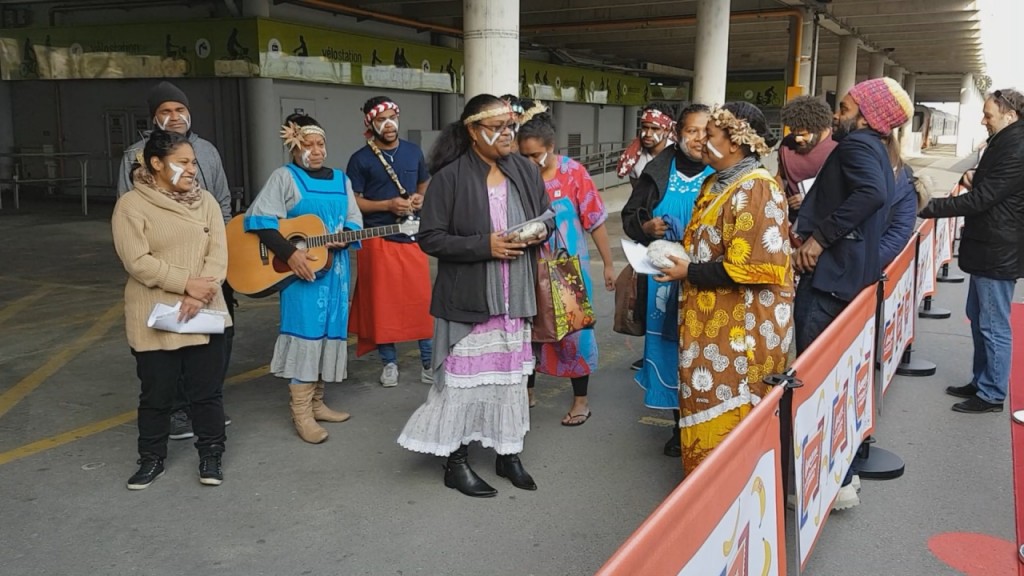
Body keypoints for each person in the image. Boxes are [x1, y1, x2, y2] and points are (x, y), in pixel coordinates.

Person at [397, 95, 552, 498]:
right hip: (469, 299)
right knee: (464, 384)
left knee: (510, 382)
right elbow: (430, 238)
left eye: (510, 127)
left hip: (514, 298)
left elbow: (546, 215)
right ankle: (457, 461)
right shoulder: (449, 178)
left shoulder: (523, 169)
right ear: (472, 131)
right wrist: (486, 245)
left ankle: (508, 452)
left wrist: (537, 231)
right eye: (497, 128)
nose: (506, 135)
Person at [792, 77, 914, 510]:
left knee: (816, 381)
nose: (837, 114)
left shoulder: (858, 145)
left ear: (867, 115)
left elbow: (872, 194)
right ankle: (843, 474)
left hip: (830, 281)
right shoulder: (877, 148)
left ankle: (833, 479)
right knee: (837, 379)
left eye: (844, 107)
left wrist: (819, 238)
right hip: (844, 279)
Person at [655, 102, 793, 474]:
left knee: (733, 407)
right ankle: (707, 497)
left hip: (741, 334)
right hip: (707, 321)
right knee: (701, 399)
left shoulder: (758, 189)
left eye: (710, 135)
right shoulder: (715, 181)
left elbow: (760, 266)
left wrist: (690, 271)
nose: (700, 141)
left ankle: (733, 497)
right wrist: (680, 265)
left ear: (735, 143)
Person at [111, 130, 229, 490]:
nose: (192, 169)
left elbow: (219, 252)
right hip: (156, 314)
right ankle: (151, 459)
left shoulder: (206, 201)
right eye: (183, 162)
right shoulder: (131, 205)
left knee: (207, 392)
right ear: (157, 164)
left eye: (193, 162)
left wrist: (200, 292)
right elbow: (137, 261)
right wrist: (185, 283)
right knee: (157, 394)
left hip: (205, 308)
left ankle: (211, 454)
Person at [243, 114, 362, 444]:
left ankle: (318, 402)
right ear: (293, 148)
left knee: (328, 333)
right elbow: (259, 220)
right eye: (307, 144)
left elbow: (354, 218)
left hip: (336, 272)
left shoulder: (342, 180)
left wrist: (348, 237)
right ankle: (302, 413)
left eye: (320, 143)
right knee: (307, 335)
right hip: (301, 271)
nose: (315, 150)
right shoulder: (285, 177)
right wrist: (289, 253)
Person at [919, 88, 1024, 414]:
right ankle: (982, 380)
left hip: (997, 248)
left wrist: (928, 206)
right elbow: (991, 188)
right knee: (980, 319)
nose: (983, 120)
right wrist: (974, 177)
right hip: (989, 245)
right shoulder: (1006, 141)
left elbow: (984, 198)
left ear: (1010, 114)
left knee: (992, 324)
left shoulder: (1017, 146)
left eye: (989, 114)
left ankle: (991, 393)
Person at [620, 103, 714, 456]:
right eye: (692, 131)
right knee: (672, 352)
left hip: (704, 277)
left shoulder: (720, 173)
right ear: (678, 133)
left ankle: (706, 422)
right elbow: (631, 215)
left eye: (706, 131)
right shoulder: (659, 171)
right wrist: (645, 227)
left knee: (701, 350)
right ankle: (680, 426)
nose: (699, 139)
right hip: (662, 281)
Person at [516, 103, 615, 425]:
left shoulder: (573, 173)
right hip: (528, 267)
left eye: (534, 156)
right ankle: (527, 391)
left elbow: (595, 221)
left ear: (550, 148)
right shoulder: (519, 177)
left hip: (567, 269)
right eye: (524, 155)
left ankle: (581, 400)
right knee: (528, 331)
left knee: (574, 332)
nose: (529, 162)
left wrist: (608, 265)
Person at [346, 96, 433, 388]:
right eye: (382, 119)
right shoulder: (360, 159)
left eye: (393, 117)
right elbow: (354, 202)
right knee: (382, 306)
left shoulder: (413, 152)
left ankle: (429, 362)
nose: (389, 124)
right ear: (370, 123)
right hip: (377, 238)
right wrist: (388, 206)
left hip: (411, 237)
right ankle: (389, 363)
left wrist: (420, 197)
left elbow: (424, 181)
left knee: (422, 302)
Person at [776, 96, 838, 223]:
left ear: (819, 128)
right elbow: (780, 177)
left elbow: (843, 189)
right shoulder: (787, 144)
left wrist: (809, 198)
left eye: (803, 134)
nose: (797, 139)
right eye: (794, 134)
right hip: (790, 220)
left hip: (824, 221)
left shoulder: (839, 145)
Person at [617, 102, 677, 188]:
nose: (648, 134)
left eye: (655, 129)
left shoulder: (678, 154)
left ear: (667, 131)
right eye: (645, 127)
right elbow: (637, 193)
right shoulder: (633, 158)